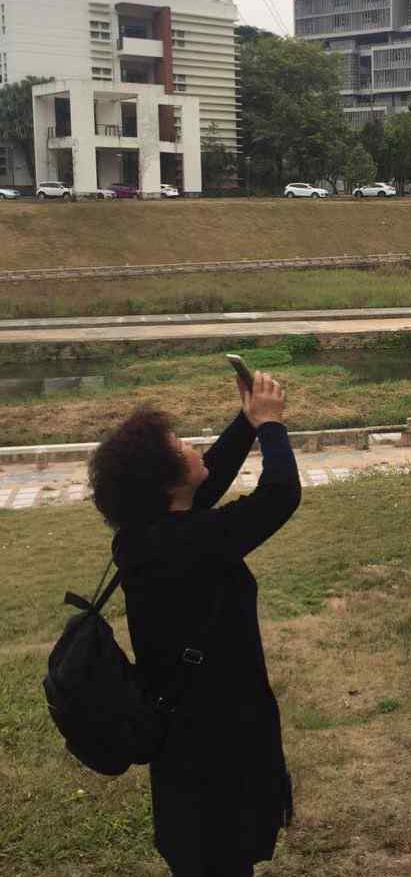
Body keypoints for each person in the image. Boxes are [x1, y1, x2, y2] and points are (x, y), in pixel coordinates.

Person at [88, 371, 301, 877]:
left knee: (206, 858)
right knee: (220, 859)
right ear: (164, 482)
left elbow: (204, 482)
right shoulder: (190, 543)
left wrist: (247, 421)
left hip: (185, 743)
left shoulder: (149, 535)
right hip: (217, 745)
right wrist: (271, 425)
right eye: (179, 443)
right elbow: (279, 495)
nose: (192, 446)